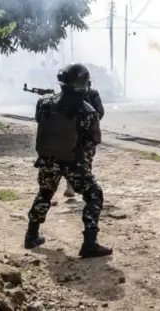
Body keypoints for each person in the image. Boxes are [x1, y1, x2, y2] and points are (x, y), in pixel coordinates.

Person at [24, 63, 112, 258]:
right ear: (83, 84)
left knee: (45, 193)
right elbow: (93, 142)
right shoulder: (88, 112)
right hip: (73, 162)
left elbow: (41, 123)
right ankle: (90, 243)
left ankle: (31, 235)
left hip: (48, 159)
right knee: (94, 195)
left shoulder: (44, 102)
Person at [63, 81, 105, 197]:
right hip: (79, 135)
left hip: (80, 135)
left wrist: (87, 122)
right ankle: (74, 187)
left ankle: (80, 187)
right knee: (76, 161)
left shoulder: (91, 94)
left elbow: (99, 113)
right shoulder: (90, 94)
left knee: (79, 161)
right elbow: (100, 113)